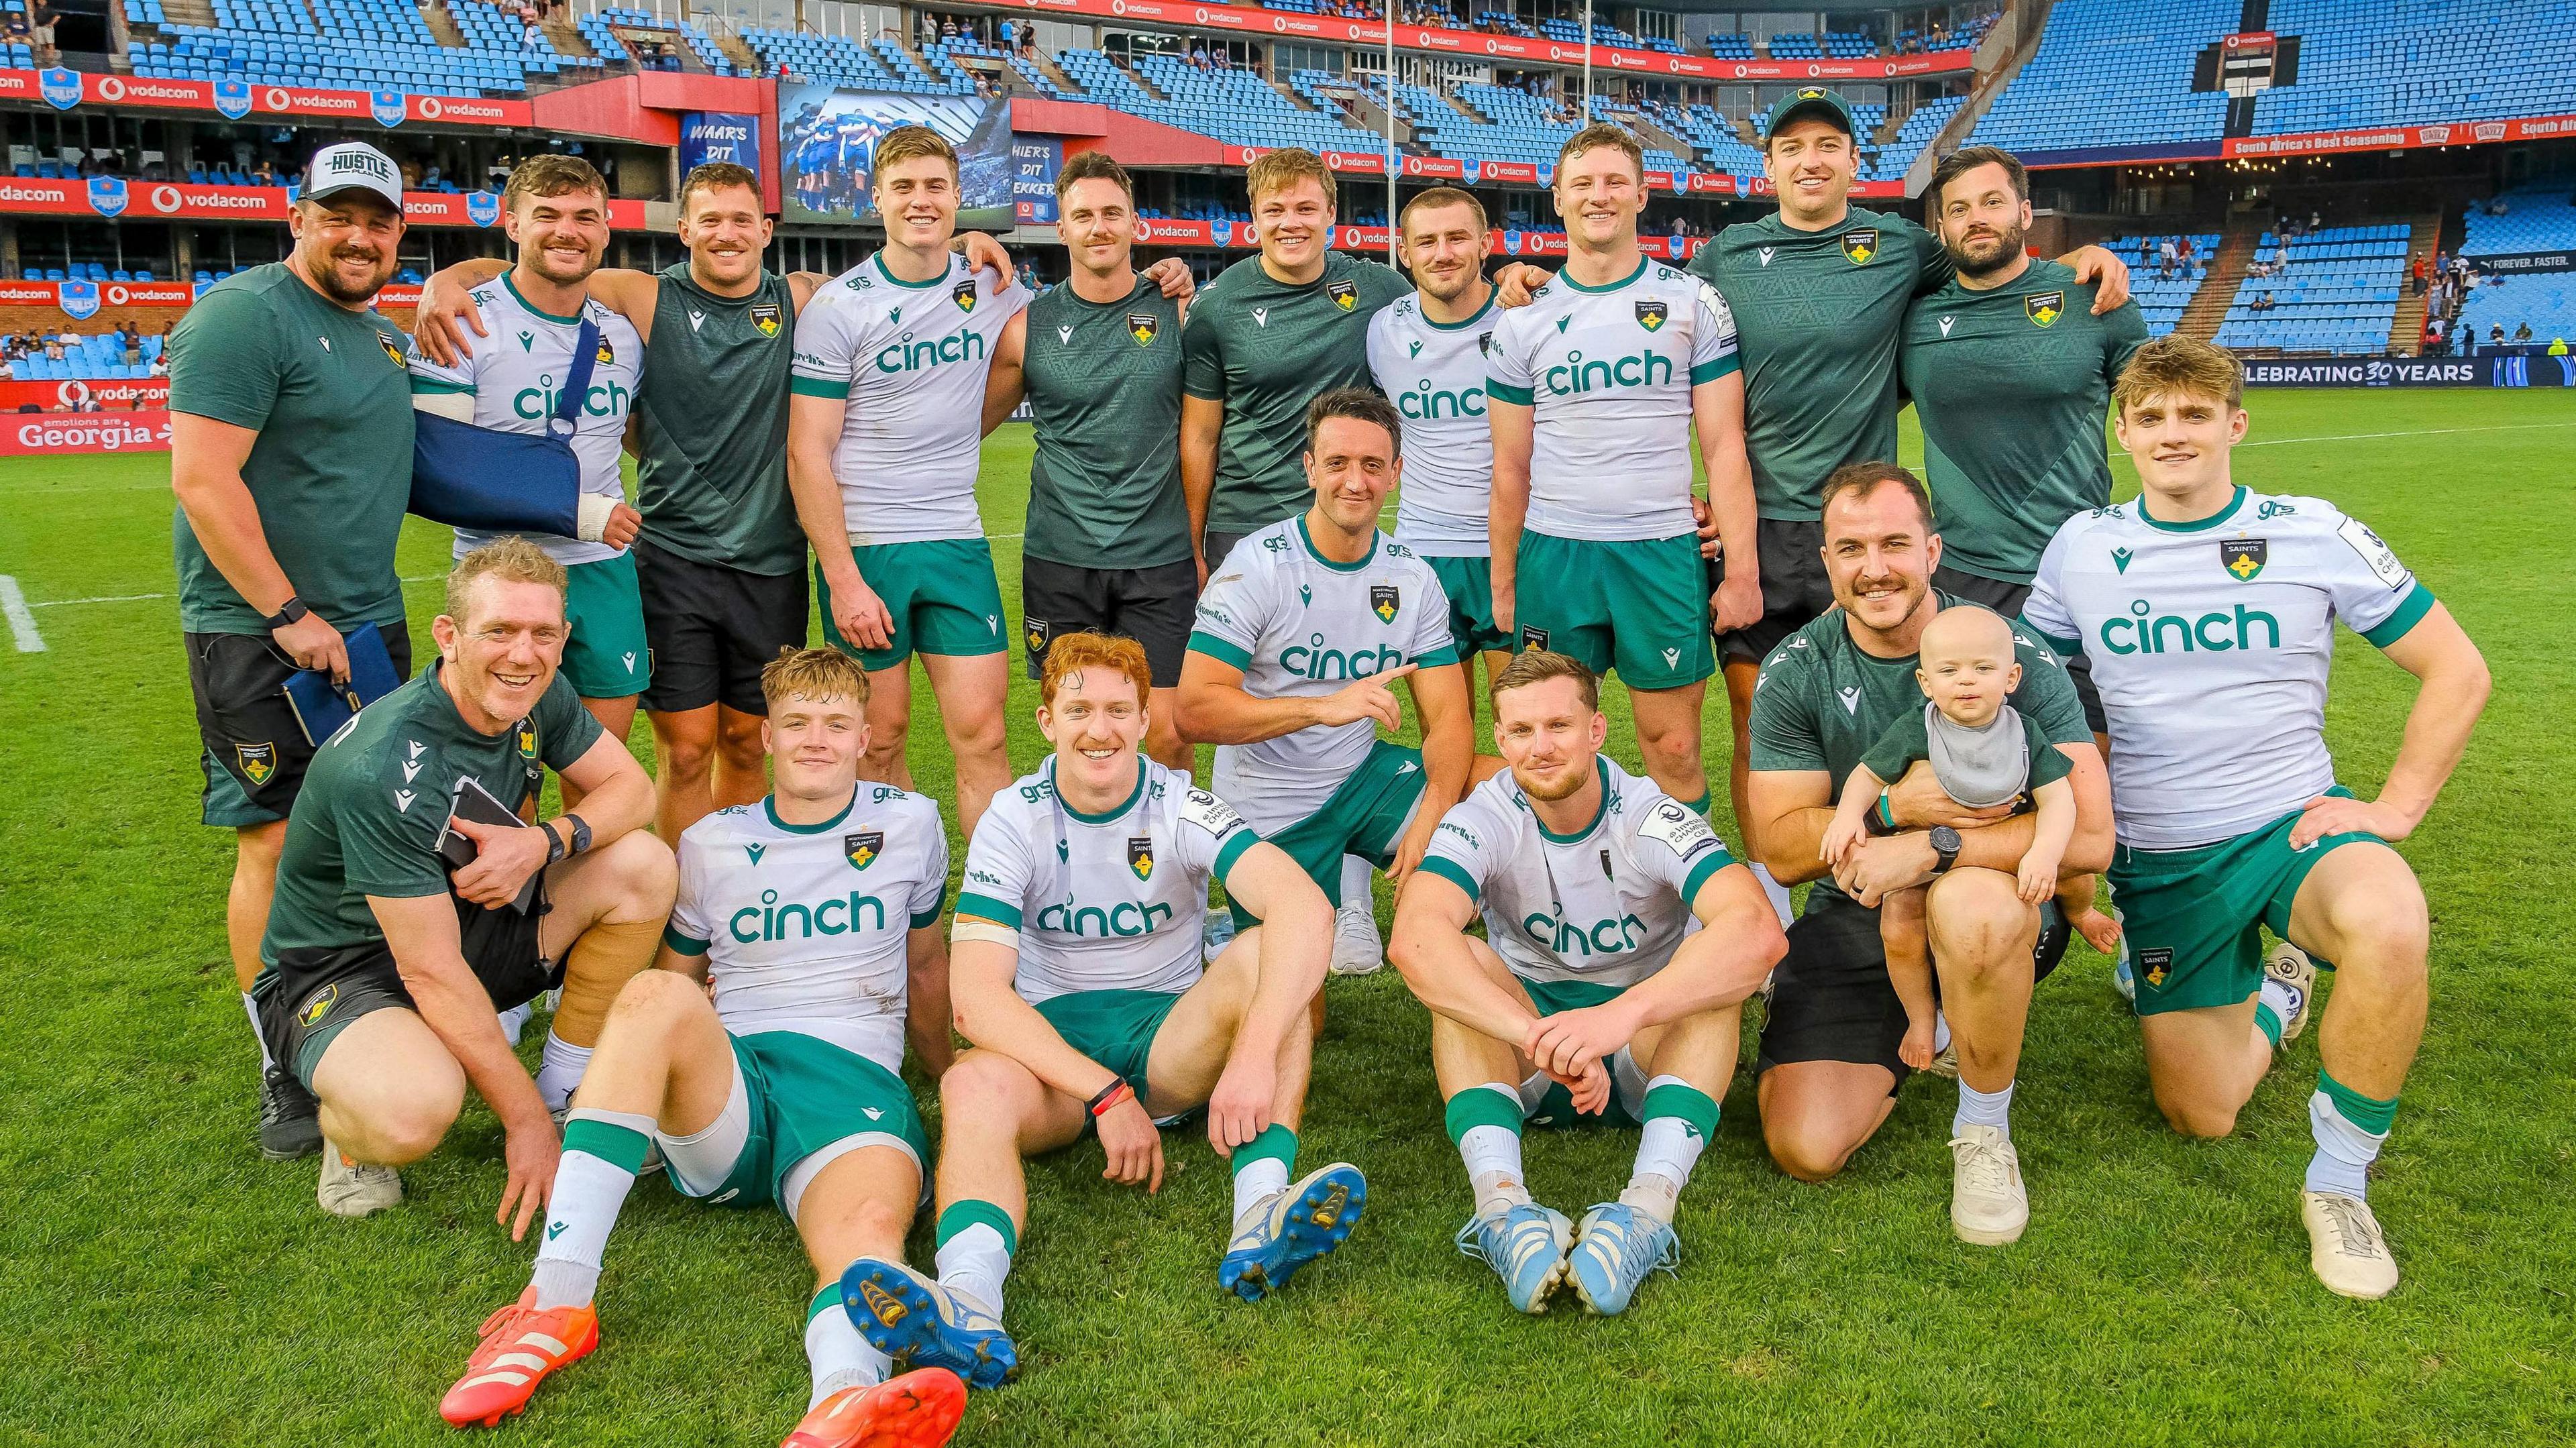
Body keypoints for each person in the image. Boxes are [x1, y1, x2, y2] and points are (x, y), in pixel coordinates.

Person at [2021, 337, 2488, 1298]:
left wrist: (2396, 806)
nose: (2173, 432)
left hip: (2292, 829)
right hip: (2164, 856)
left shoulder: (2312, 530)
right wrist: (2072, 846)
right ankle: (2278, 992)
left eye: (2195, 413)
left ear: (2236, 423)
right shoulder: (2082, 546)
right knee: (2202, 1112)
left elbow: (2459, 667)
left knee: (2391, 919)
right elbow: (2036, 694)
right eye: (2150, 417)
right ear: (2123, 434)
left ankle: (2340, 1183)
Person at [437, 648, 967, 1445]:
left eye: (835, 724)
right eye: (797, 723)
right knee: (657, 994)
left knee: (865, 1238)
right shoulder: (713, 840)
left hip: (853, 1084)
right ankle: (557, 1301)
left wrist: (949, 1075)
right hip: (734, 1087)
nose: (816, 740)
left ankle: (842, 1403)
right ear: (768, 737)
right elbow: (675, 980)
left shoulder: (910, 822)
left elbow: (926, 968)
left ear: (866, 737)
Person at [413, 166, 1033, 844]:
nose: (726, 234)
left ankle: (728, 899)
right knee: (684, 750)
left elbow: (897, 274)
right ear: (683, 231)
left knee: (746, 742)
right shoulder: (644, 297)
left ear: (767, 231)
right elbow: (540, 264)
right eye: (709, 221)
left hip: (770, 562)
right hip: (673, 558)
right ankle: (679, 903)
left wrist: (966, 239)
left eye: (742, 220)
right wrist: (446, 280)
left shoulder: (804, 299)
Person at [1663, 88, 2127, 930]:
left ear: (1852, 162)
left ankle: (1961, 881)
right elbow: (1637, 317)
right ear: (1767, 166)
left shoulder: (1904, 246)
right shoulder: (1727, 255)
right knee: (1755, 713)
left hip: (1866, 528)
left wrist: (2081, 257)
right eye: (1793, 147)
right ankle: (1775, 893)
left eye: (1829, 145)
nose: (1811, 160)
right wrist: (1524, 279)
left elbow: (1996, 257)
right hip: (1756, 526)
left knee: (1932, 702)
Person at [839, 632, 1352, 1386]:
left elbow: (1304, 906)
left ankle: (1260, 1212)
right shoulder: (1015, 816)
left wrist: (1251, 1051)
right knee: (970, 1084)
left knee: (1261, 960)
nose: (1100, 728)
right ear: (1047, 720)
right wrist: (1103, 1091)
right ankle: (970, 1301)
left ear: (1146, 721)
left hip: (1170, 1041)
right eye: (1079, 708)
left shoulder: (1180, 800)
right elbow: (977, 1000)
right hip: (1055, 1056)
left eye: (1119, 709)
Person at [1179, 149, 1534, 970]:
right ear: (1253, 217)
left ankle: (1486, 894)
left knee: (1503, 745)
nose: (1292, 223)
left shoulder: (1378, 292)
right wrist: (1195, 547)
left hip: (1376, 544)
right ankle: (1322, 897)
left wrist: (1520, 278)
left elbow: (1447, 720)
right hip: (1256, 531)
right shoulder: (1217, 303)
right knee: (1293, 700)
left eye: (1308, 208)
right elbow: (1199, 710)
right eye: (1276, 211)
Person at [254, 540, 676, 1221]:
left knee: (643, 866)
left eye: (543, 633)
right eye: (500, 631)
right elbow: (428, 971)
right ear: (448, 636)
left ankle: (569, 1090)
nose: (522, 654)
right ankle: (352, 1126)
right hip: (348, 968)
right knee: (412, 1110)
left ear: (564, 637)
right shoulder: (385, 764)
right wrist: (522, 1126)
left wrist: (541, 841)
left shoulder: (543, 691)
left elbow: (633, 790)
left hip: (464, 921)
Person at [1744, 462, 2111, 1244]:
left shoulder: (2008, 652)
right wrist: (1887, 808)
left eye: (1894, 543)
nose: (1874, 567)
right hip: (1858, 908)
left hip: (1994, 899)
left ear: (1933, 550)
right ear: (1826, 557)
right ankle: (1920, 1028)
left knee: (1969, 905)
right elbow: (1778, 847)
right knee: (1804, 1146)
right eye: (1850, 548)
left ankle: (1983, 1128)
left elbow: (2089, 836)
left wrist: (1934, 846)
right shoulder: (1798, 667)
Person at [1387, 651, 1784, 1315]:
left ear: (1597, 731)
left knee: (1716, 970)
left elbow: (1758, 932)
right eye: (1519, 731)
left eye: (1558, 726)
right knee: (1455, 964)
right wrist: (1540, 1037)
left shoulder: (1648, 813)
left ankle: (1646, 1214)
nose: (1539, 748)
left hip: (1644, 1056)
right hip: (1525, 1058)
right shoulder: (1484, 814)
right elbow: (1414, 938)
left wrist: (1616, 1020)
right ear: (1502, 739)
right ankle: (1504, 1211)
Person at [168, 141, 421, 1161]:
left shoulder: (380, 337)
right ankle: (282, 1056)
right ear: (298, 216)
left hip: (372, 624)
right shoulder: (244, 315)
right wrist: (285, 613)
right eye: (339, 215)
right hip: (260, 630)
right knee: (272, 840)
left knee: (377, 831)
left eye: (378, 220)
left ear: (399, 231)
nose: (359, 236)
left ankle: (368, 1019)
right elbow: (202, 479)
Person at [1488, 123, 1756, 839]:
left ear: (1642, 193)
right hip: (1557, 554)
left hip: (1660, 553)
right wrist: (1506, 581)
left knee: (1674, 747)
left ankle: (1688, 904)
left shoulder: (1694, 301)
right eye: (1582, 183)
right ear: (1557, 199)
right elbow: (1510, 466)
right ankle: (1563, 894)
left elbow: (1725, 445)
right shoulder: (1521, 322)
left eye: (1614, 181)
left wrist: (1741, 572)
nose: (1598, 196)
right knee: (1550, 745)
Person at [788, 125, 1032, 844]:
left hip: (957, 541)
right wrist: (843, 578)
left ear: (960, 197)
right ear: (876, 198)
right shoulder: (840, 306)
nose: (920, 201)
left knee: (984, 738)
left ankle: (996, 914)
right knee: (882, 740)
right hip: (869, 549)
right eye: (904, 188)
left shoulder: (993, 287)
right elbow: (807, 452)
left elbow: (1028, 359)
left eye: (935, 187)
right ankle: (901, 908)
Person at [1176, 389, 1475, 972]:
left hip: (1363, 784)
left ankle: (1545, 959)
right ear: (1310, 467)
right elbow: (1193, 710)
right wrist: (1320, 708)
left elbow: (1450, 720)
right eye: (1337, 463)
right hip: (1271, 808)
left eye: (1371, 466)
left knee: (1508, 792)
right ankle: (1236, 935)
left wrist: (1434, 815)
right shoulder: (1257, 566)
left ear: (1396, 473)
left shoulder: (1411, 576)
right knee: (1299, 1004)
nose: (1355, 482)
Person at [408, 154, 651, 765]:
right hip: (498, 575)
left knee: (600, 771)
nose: (567, 230)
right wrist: (581, 511)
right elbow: (437, 471)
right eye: (547, 215)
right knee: (495, 774)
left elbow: (641, 432)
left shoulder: (623, 334)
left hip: (604, 571)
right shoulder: (460, 319)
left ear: (605, 229)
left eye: (584, 217)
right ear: (512, 224)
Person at [1899, 145, 2147, 740]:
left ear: (2026, 212)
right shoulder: (1914, 319)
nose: (1976, 218)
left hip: (2082, 566)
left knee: (2095, 750)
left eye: (1992, 202)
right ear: (1941, 227)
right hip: (1966, 574)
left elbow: (2161, 415)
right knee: (1974, 752)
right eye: (1958, 209)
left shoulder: (2096, 299)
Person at [980, 151, 1198, 776]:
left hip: (1159, 557)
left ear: (1137, 223)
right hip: (1061, 557)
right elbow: (962, 429)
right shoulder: (1028, 327)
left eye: (1111, 213)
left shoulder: (1180, 310)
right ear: (1061, 227)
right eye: (1083, 215)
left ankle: (1167, 870)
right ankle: (1081, 866)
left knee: (1170, 736)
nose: (1098, 227)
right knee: (1077, 728)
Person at [1819, 604, 2108, 1068]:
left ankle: (2083, 912)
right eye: (1950, 670)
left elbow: (2060, 800)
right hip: (1921, 855)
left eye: (1983, 668)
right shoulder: (1920, 728)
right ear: (1926, 683)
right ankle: (1921, 1018)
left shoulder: (2024, 732)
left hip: (2000, 851)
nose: (1967, 680)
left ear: (2011, 677)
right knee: (1899, 926)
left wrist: (2043, 852)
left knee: (2071, 873)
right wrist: (1849, 816)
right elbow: (1868, 773)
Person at [1365, 186, 1511, 703]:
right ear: (1404, 252)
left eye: (1457, 237)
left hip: (1515, 551)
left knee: (1527, 719)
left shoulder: (1525, 319)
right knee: (1447, 730)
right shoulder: (1384, 330)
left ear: (1485, 244)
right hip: (1424, 553)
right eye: (1426, 241)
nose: (1442, 253)